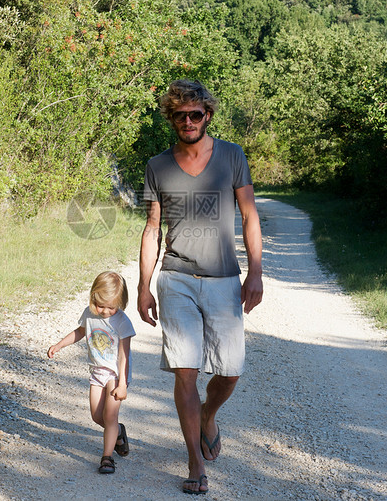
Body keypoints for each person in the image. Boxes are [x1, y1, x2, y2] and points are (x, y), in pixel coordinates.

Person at [137, 79, 263, 495]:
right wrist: (143, 285)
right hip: (176, 279)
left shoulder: (232, 156)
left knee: (229, 372)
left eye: (196, 114)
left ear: (207, 115)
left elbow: (249, 217)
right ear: (171, 119)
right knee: (185, 373)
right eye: (180, 116)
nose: (188, 121)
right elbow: (153, 227)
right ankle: (195, 462)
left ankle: (209, 415)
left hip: (224, 279)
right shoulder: (157, 165)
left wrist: (255, 273)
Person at [47, 271, 136, 474]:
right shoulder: (90, 313)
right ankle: (119, 432)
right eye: (100, 305)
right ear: (93, 297)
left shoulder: (122, 322)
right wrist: (60, 345)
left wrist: (122, 384)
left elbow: (124, 355)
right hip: (97, 372)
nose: (104, 311)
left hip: (115, 374)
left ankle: (107, 457)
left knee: (110, 416)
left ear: (120, 303)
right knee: (97, 416)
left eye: (111, 307)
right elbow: (80, 331)